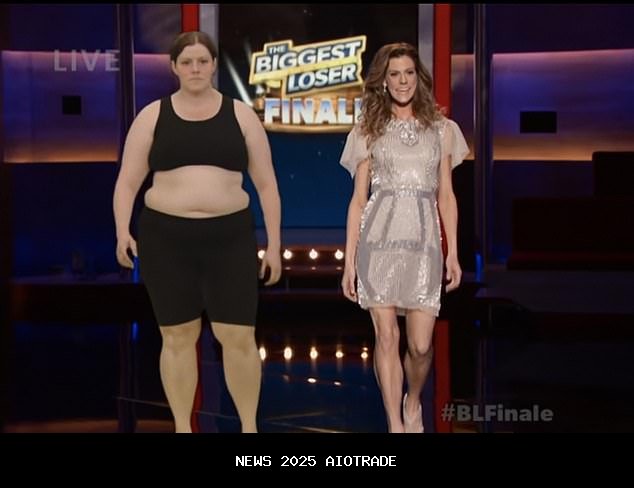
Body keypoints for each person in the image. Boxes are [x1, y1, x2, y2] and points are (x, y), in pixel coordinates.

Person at [113, 31, 281, 433]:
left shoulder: (241, 115)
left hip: (230, 238)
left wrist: (275, 245)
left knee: (237, 335)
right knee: (177, 336)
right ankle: (182, 427)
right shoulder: (152, 116)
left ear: (213, 65)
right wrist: (122, 230)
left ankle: (249, 427)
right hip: (166, 239)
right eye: (187, 62)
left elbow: (267, 185)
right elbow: (127, 183)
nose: (195, 69)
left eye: (202, 61)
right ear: (174, 67)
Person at [340, 42, 469, 433]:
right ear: (383, 81)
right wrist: (349, 261)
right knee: (385, 335)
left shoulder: (442, 130)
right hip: (378, 242)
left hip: (424, 245)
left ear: (419, 77)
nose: (402, 81)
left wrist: (453, 252)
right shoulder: (368, 130)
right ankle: (395, 423)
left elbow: (446, 195)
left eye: (409, 73)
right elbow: (358, 201)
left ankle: (413, 401)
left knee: (421, 346)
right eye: (394, 74)